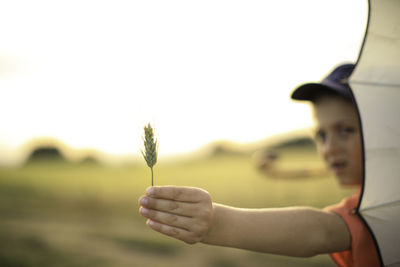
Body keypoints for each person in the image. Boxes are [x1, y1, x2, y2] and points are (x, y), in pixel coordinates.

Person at [138, 63, 381, 267]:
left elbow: (322, 231)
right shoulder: (375, 194)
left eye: (346, 129)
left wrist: (215, 222)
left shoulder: (384, 206)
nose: (329, 148)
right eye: (321, 135)